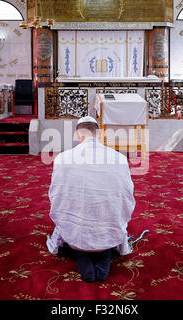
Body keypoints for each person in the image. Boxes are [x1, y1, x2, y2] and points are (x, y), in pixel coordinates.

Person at [46, 116, 136, 282]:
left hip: (77, 234)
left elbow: (57, 197)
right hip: (108, 232)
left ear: (78, 135)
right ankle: (102, 259)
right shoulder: (119, 158)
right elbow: (126, 197)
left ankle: (85, 259)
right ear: (98, 134)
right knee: (103, 245)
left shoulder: (62, 158)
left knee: (80, 242)